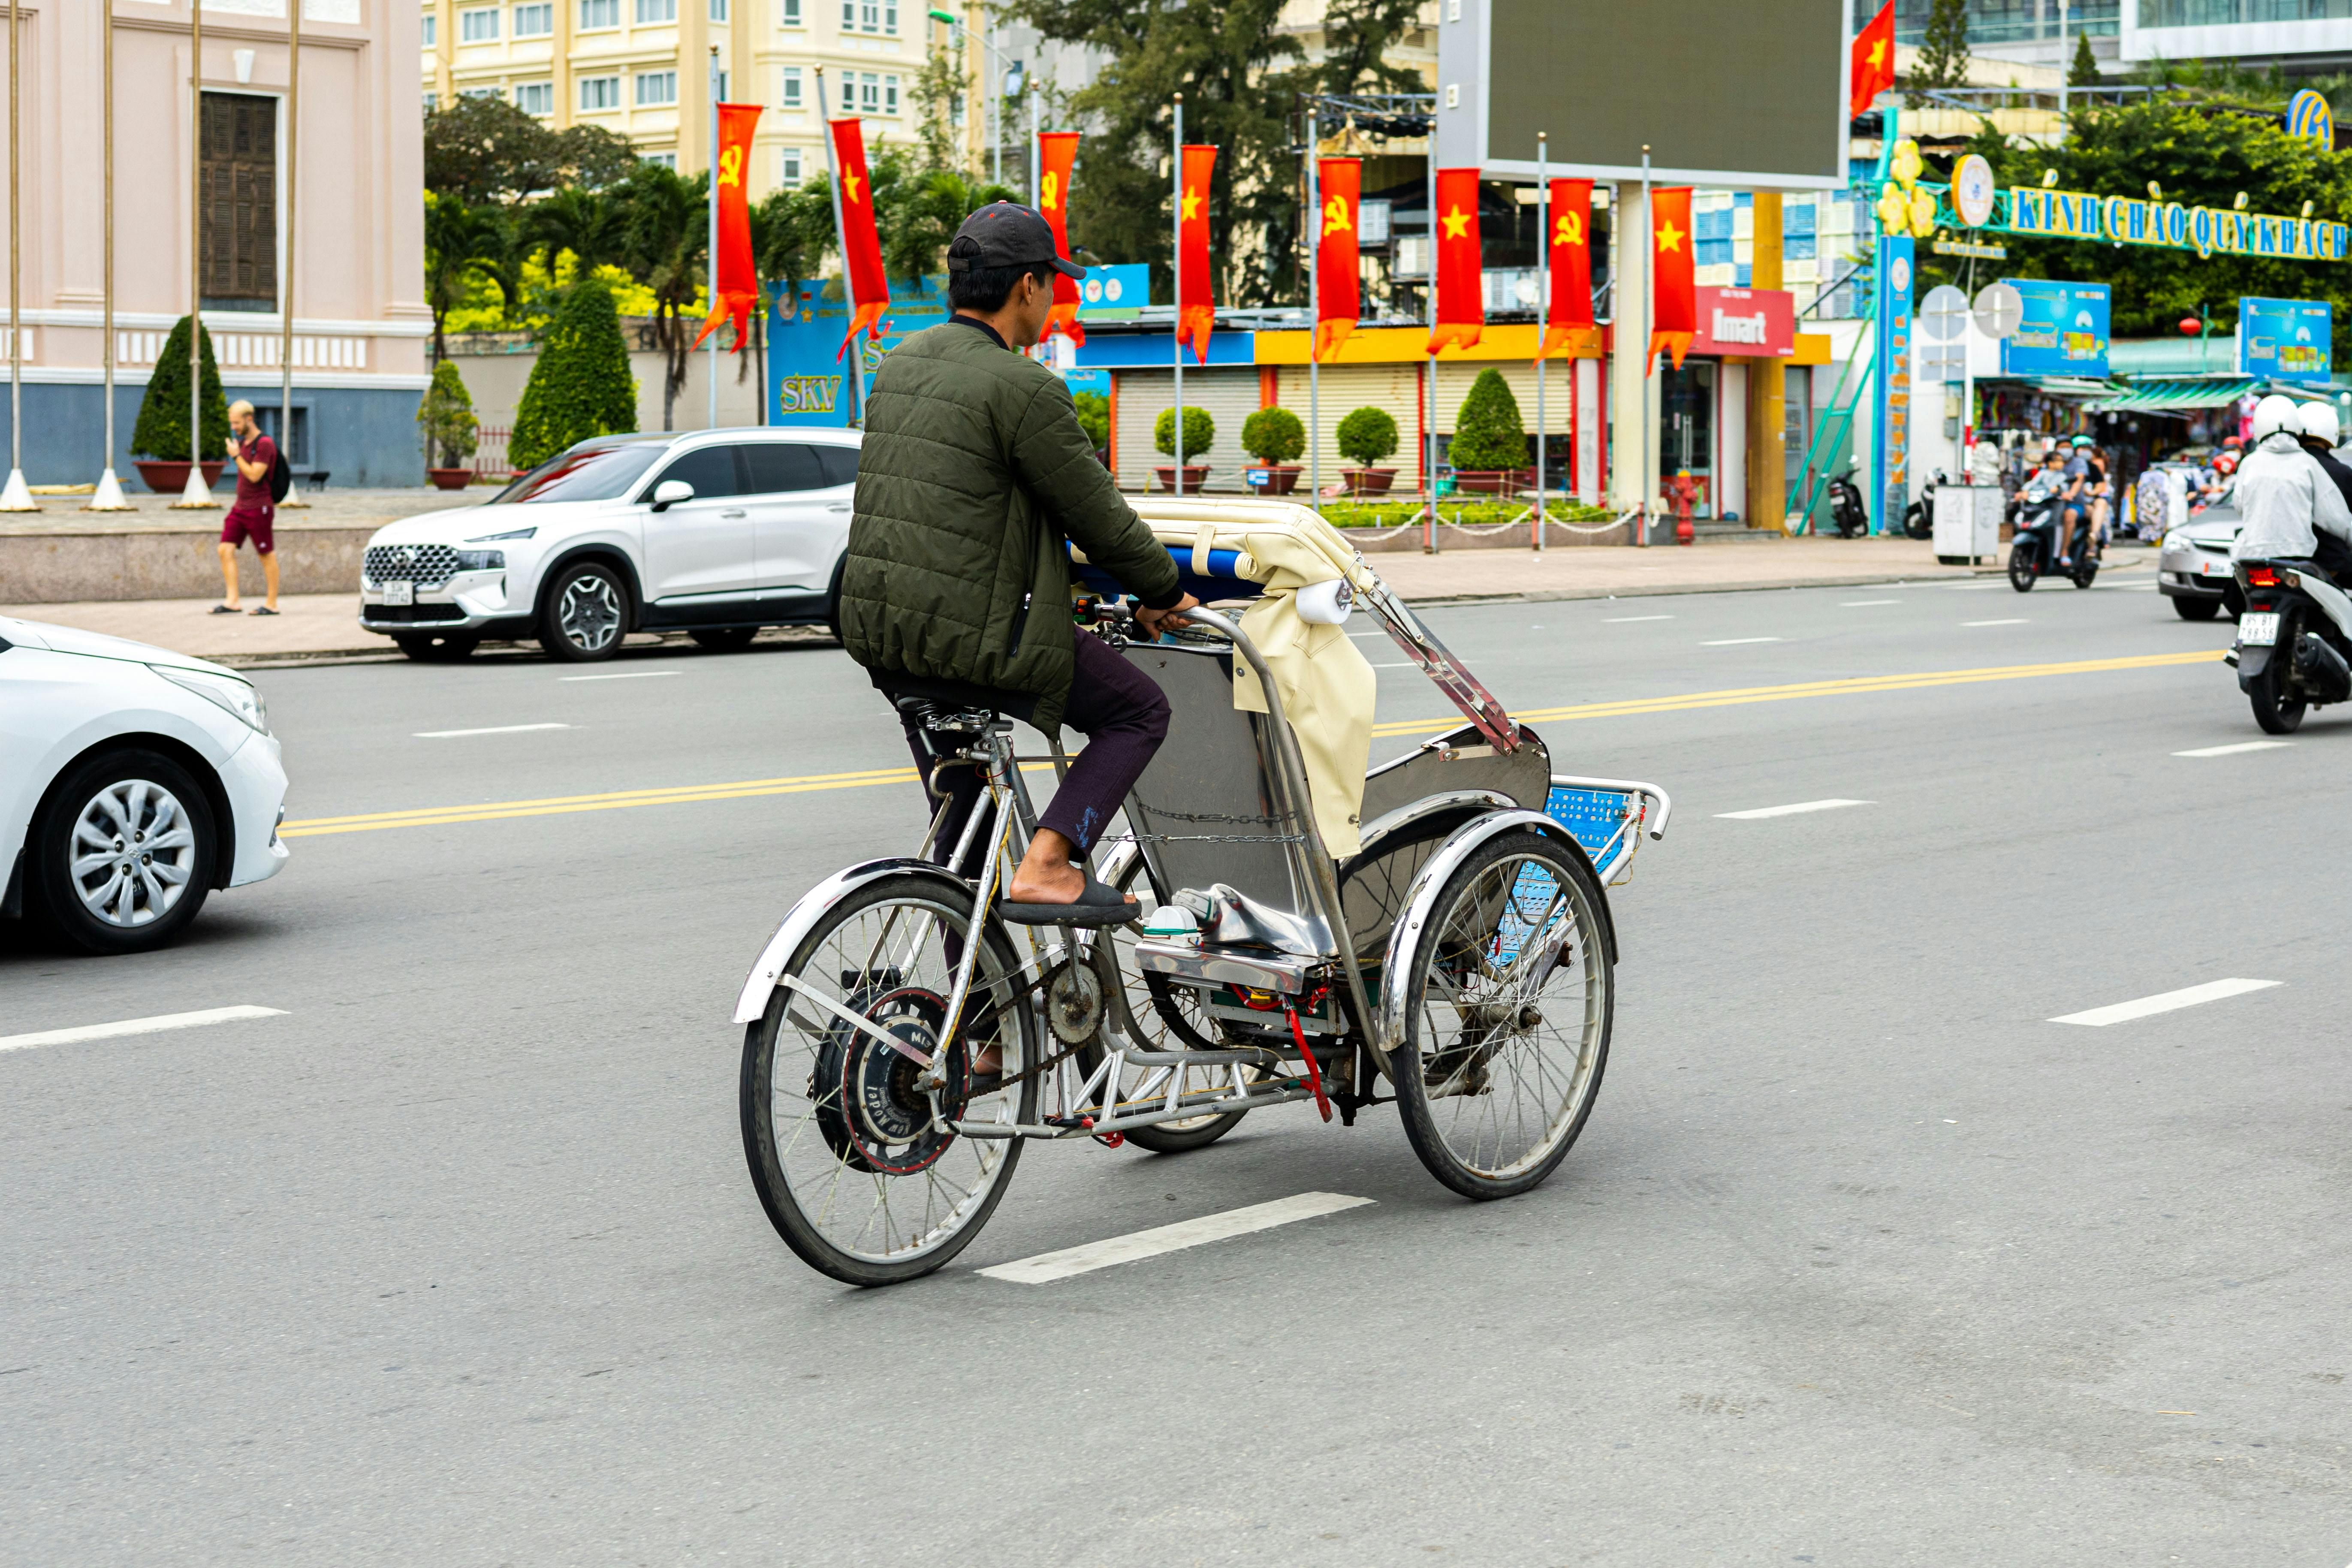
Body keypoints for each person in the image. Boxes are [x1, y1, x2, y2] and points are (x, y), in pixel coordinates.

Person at [838, 202, 1199, 925]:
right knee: (1138, 711)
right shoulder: (1023, 388)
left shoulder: (899, 365)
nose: (1054, 299)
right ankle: (1048, 865)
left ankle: (980, 1039)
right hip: (973, 638)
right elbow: (1095, 514)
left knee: (963, 849)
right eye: (1052, 285)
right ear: (1027, 287)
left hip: (883, 634)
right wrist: (1161, 589)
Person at [2229, 393, 2352, 570]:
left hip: (2252, 556)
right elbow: (2333, 514)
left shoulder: (2249, 463)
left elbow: (2240, 506)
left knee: (2232, 597)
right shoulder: (2307, 463)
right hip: (2299, 555)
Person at [216, 400, 280, 616]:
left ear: (249, 418)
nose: (233, 427)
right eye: (231, 423)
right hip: (240, 507)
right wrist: (239, 452)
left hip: (259, 507)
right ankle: (233, 601)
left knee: (266, 554)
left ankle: (272, 604)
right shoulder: (244, 444)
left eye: (236, 423)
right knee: (225, 549)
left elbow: (254, 475)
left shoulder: (265, 444)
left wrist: (235, 456)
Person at [2289, 401, 2352, 584]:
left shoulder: (2280, 469)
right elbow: (2342, 523)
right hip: (2329, 562)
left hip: (2279, 557)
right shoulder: (2340, 472)